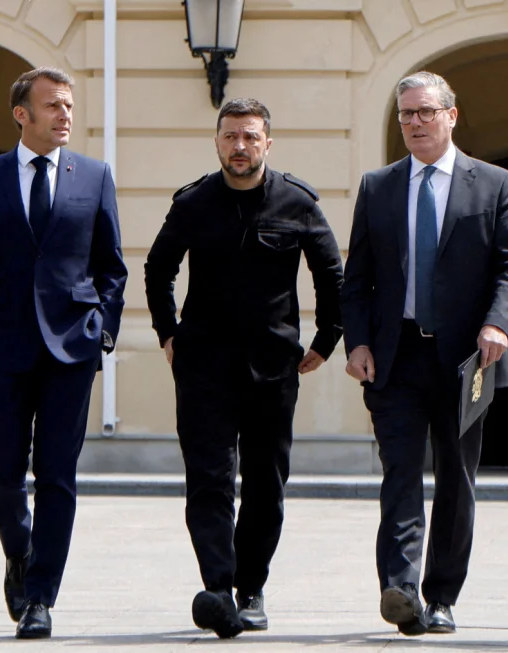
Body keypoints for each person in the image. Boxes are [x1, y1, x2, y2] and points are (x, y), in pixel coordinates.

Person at [0, 66, 127, 640]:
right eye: (52, 106)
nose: (65, 115)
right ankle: (20, 551)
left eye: (68, 105)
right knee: (1, 473)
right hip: (3, 347)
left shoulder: (94, 175)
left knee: (57, 475)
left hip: (73, 347)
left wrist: (102, 330)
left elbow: (112, 267)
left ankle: (41, 597)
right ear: (22, 114)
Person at [145, 98, 344, 639]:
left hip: (273, 368)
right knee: (208, 479)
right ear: (216, 141)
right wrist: (168, 334)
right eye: (231, 136)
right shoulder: (193, 203)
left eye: (251, 137)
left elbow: (332, 275)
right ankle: (218, 587)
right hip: (203, 367)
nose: (240, 146)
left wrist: (326, 341)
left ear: (267, 144)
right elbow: (158, 268)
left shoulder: (298, 202)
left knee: (264, 482)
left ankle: (251, 588)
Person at [339, 71, 508, 636]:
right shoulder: (378, 186)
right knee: (399, 470)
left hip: (468, 359)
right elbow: (358, 277)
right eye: (406, 114)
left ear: (452, 115)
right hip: (395, 355)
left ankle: (442, 595)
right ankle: (400, 587)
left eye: (426, 112)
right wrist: (357, 341)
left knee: (455, 476)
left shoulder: (494, 184)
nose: (415, 123)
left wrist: (498, 324)